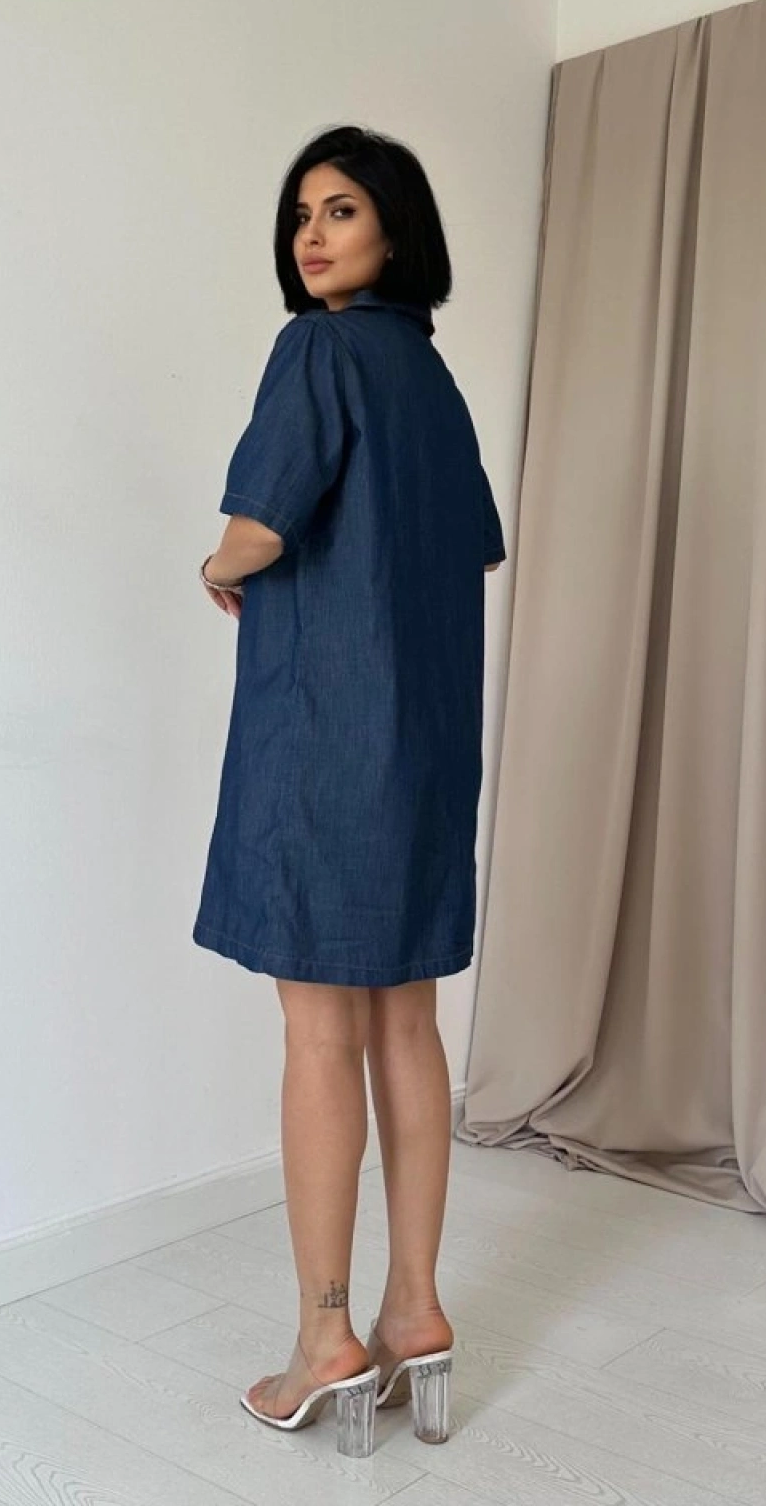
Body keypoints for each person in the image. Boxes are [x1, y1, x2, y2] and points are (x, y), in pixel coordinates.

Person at [193, 124, 506, 1456]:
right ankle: (414, 1312)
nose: (313, 236)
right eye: (302, 214)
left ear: (394, 228)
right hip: (425, 743)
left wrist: (220, 567)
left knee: (320, 1034)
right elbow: (471, 550)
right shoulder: (432, 378)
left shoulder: (317, 352)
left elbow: (263, 524)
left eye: (341, 211)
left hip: (326, 739)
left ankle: (324, 1339)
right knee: (408, 1029)